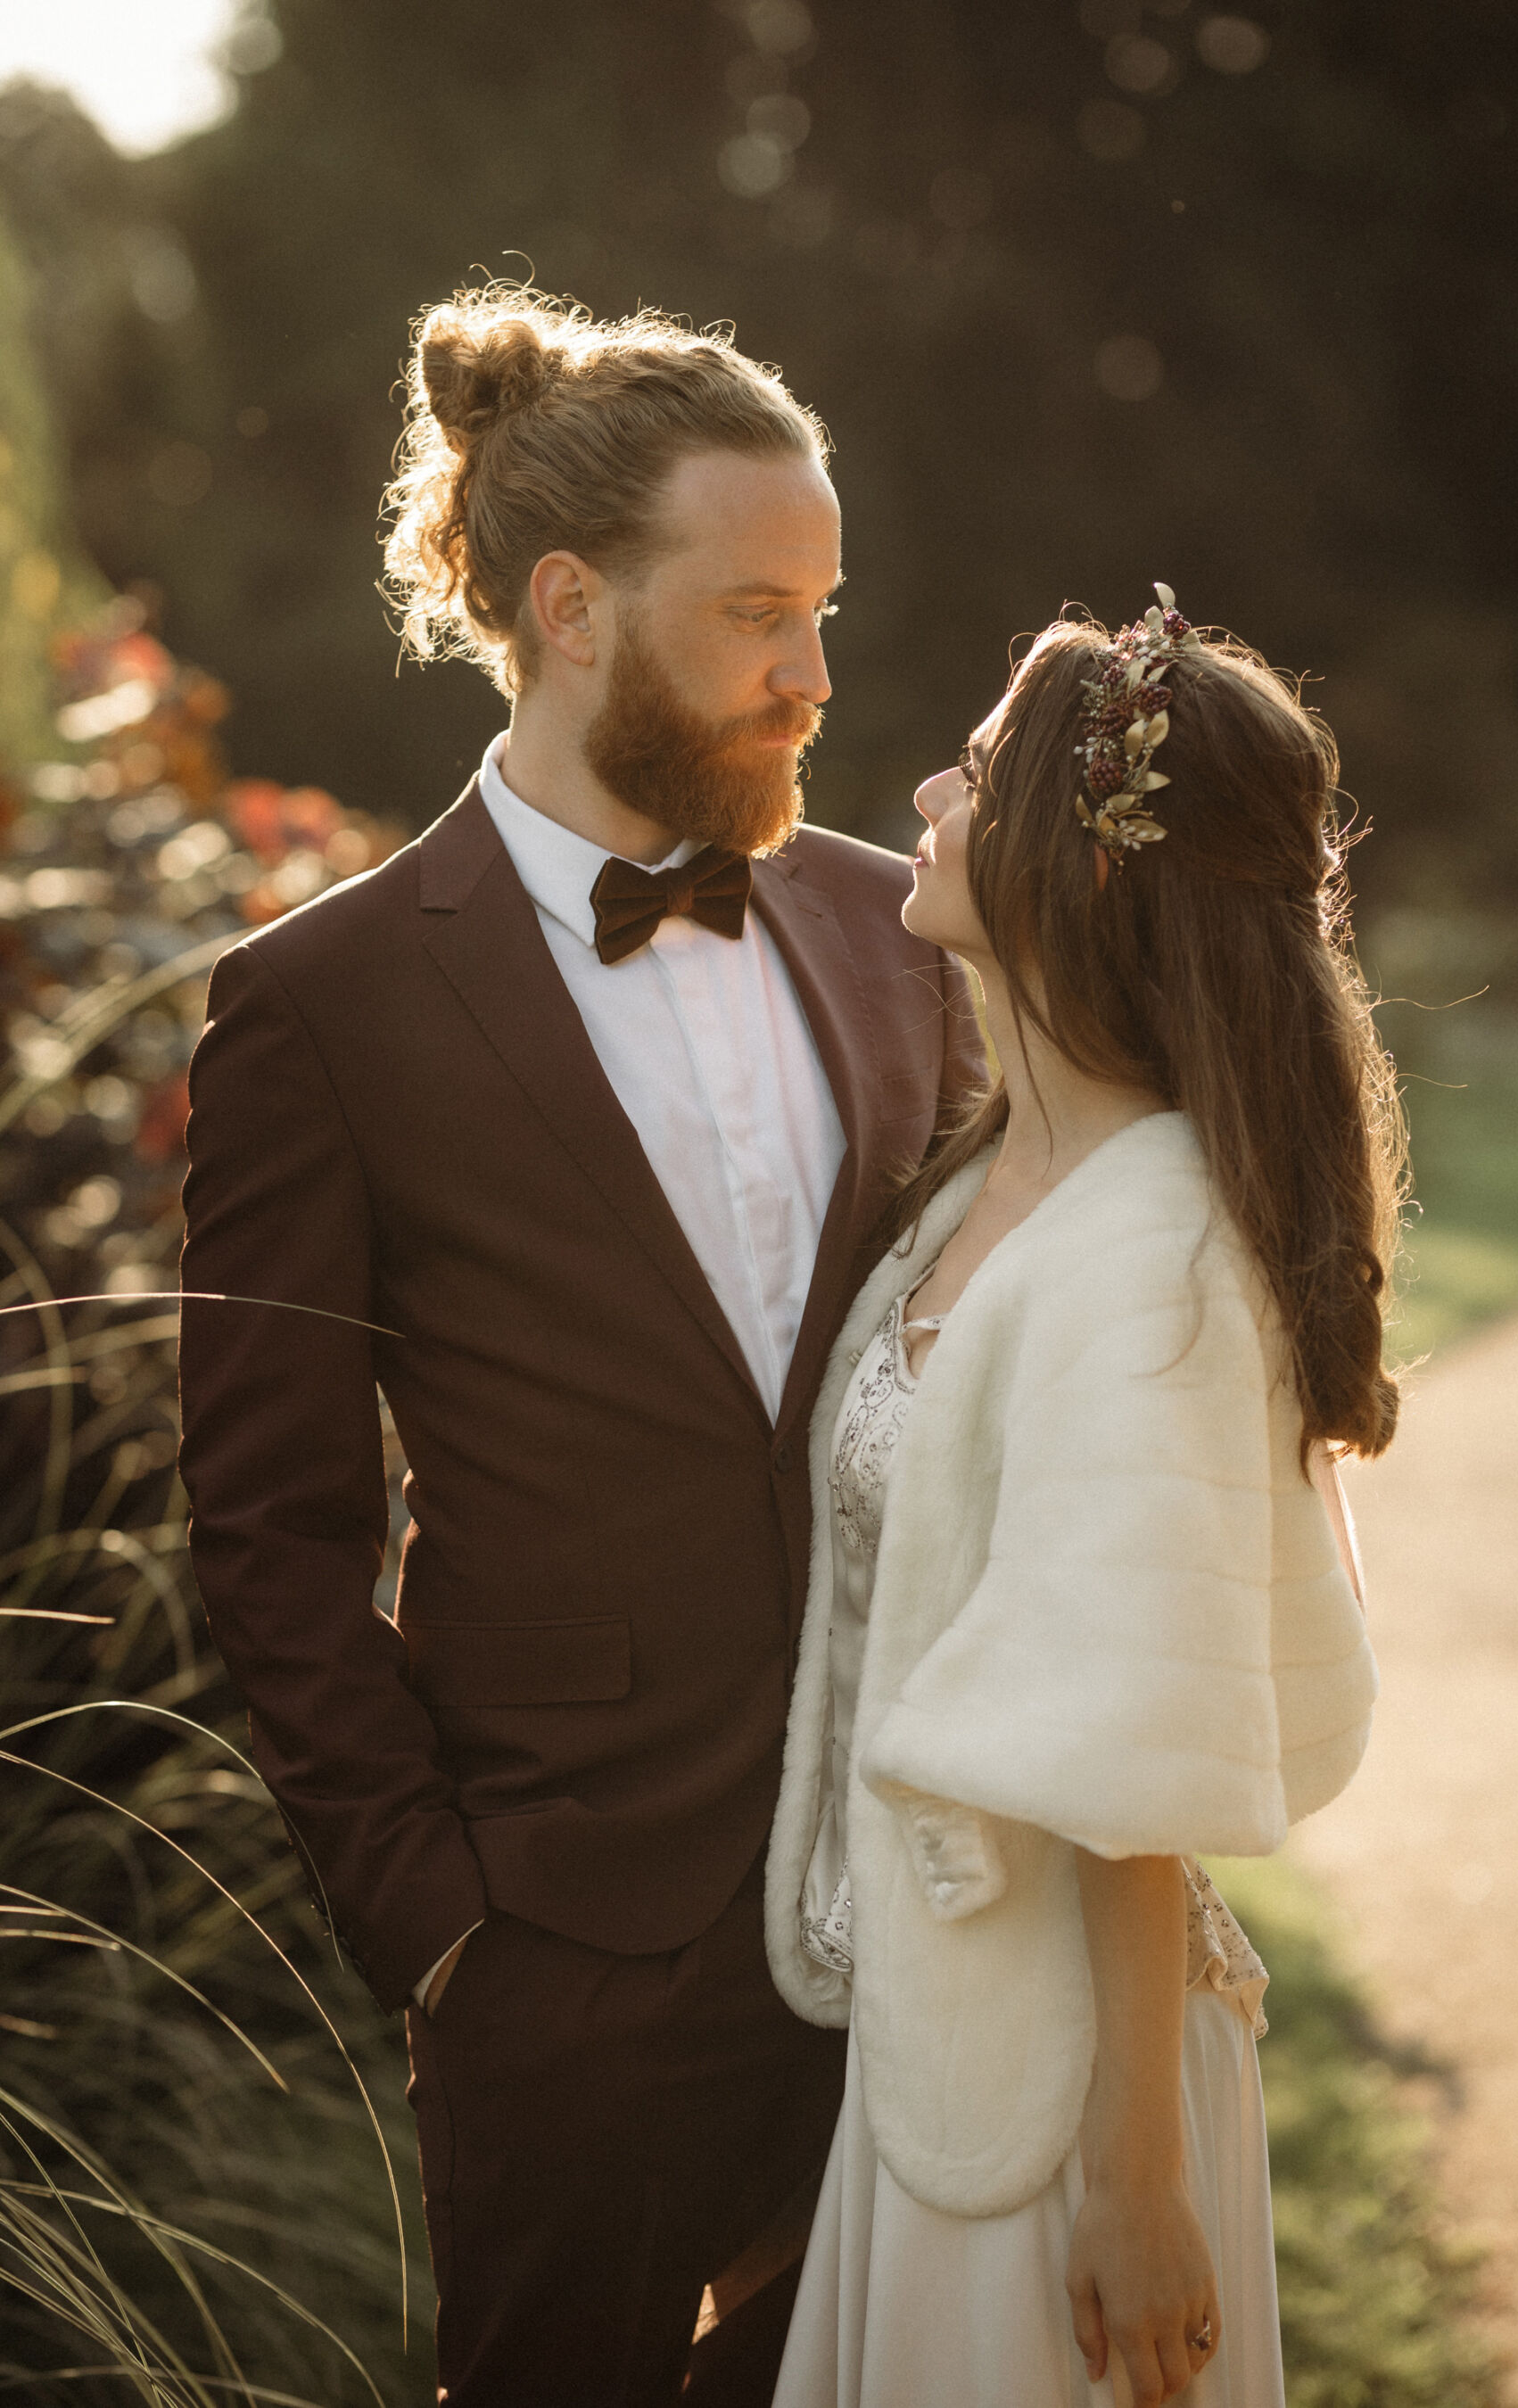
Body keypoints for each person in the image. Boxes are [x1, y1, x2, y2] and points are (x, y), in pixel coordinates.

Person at [177, 288, 984, 2406]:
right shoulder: (322, 1007)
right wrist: (440, 1917)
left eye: (825, 610)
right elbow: (270, 1526)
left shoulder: (910, 938)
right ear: (567, 608)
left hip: (916, 1922)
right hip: (565, 1952)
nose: (815, 675)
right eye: (755, 616)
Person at [764, 590, 1403, 2407]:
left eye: (968, 773)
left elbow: (1133, 1748)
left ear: (1073, 858)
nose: (924, 793)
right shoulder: (983, 1173)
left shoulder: (1153, 1249)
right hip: (946, 2019)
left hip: (1069, 2085)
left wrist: (1132, 2180)